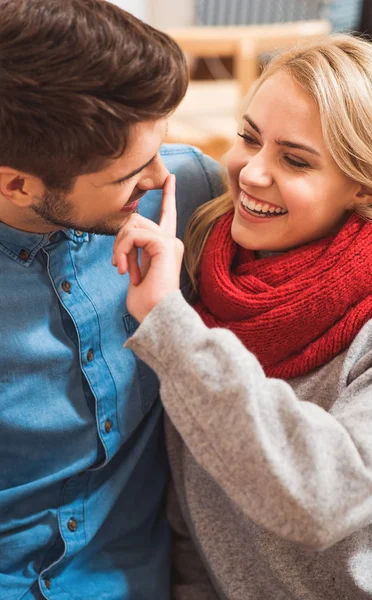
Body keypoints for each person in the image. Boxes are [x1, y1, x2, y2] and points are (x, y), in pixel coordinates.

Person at [116, 35, 372, 599]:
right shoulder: (206, 266)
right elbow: (192, 510)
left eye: (294, 160)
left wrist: (171, 330)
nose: (249, 173)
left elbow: (322, 497)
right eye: (249, 137)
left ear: (364, 182)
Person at [0, 1, 223, 598]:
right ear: (17, 184)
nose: (158, 178)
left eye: (160, 146)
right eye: (130, 174)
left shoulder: (193, 191)